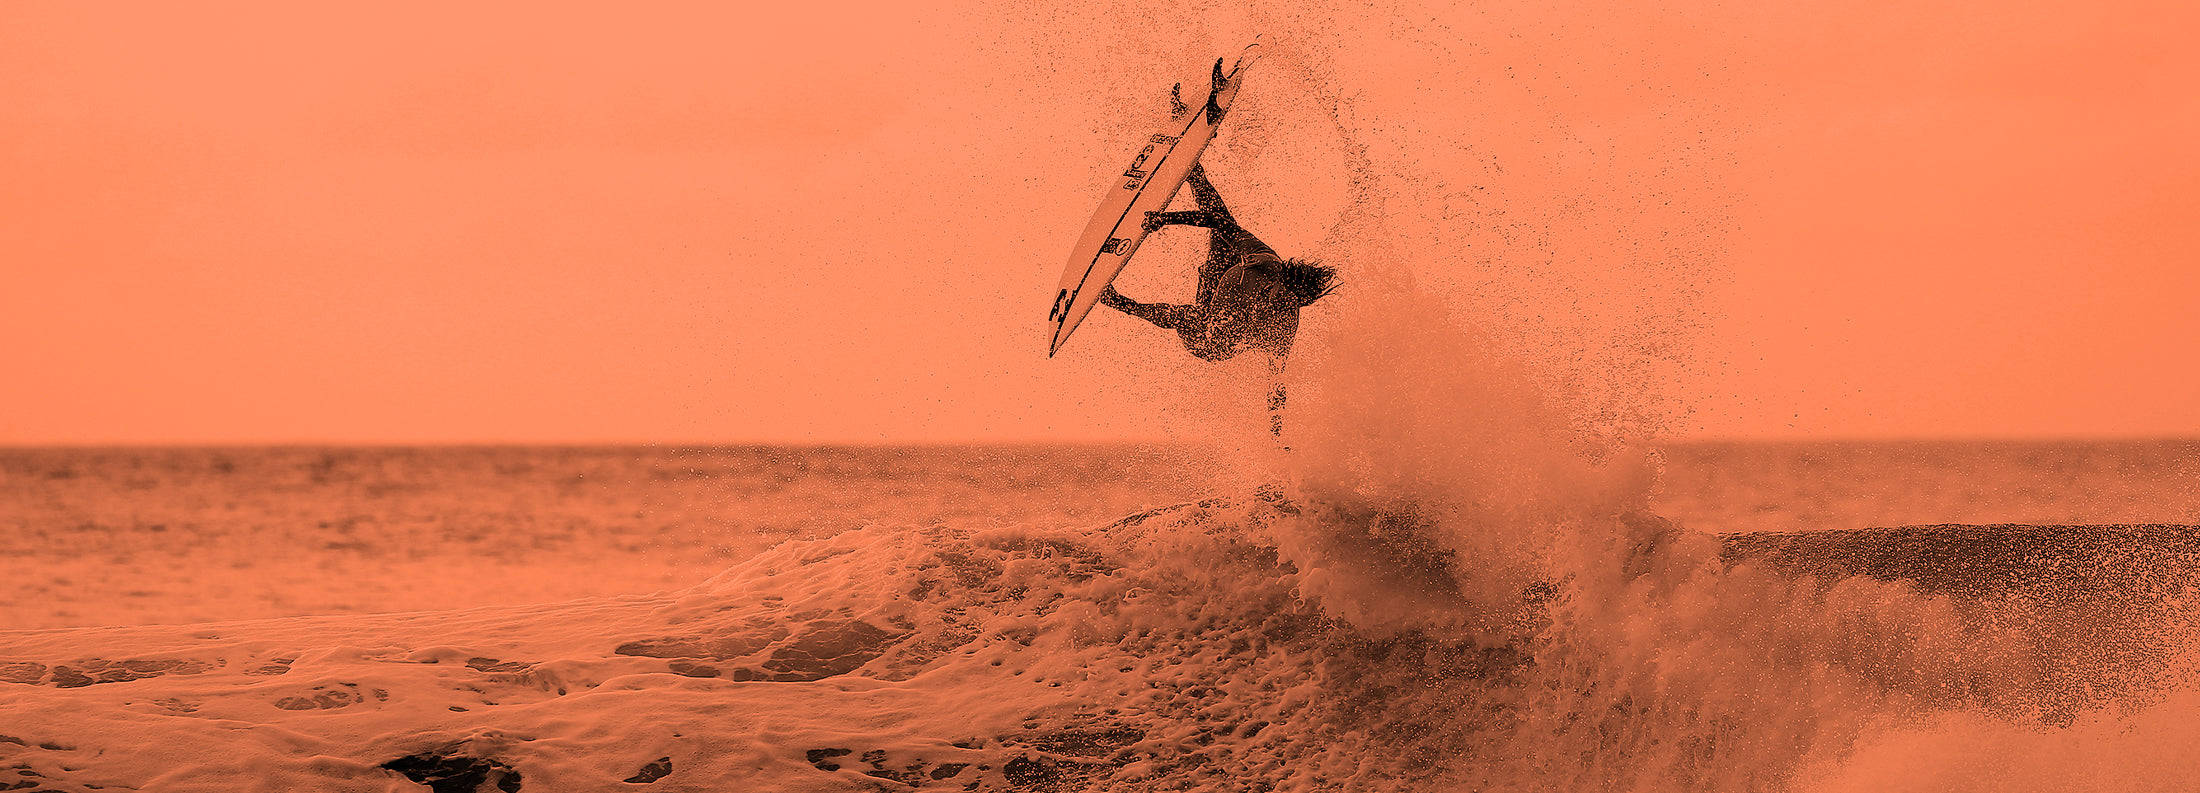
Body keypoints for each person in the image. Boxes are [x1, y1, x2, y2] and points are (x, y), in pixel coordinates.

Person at [1098, 160, 1337, 438]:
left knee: (1191, 316)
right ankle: (1195, 176)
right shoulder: (1264, 259)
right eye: (1275, 294)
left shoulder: (1283, 328)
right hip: (1217, 292)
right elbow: (1218, 222)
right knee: (1225, 229)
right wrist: (1165, 219)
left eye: (1281, 304)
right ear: (1280, 277)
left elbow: (1277, 385)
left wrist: (1276, 436)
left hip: (1211, 343)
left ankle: (1119, 303)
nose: (1272, 302)